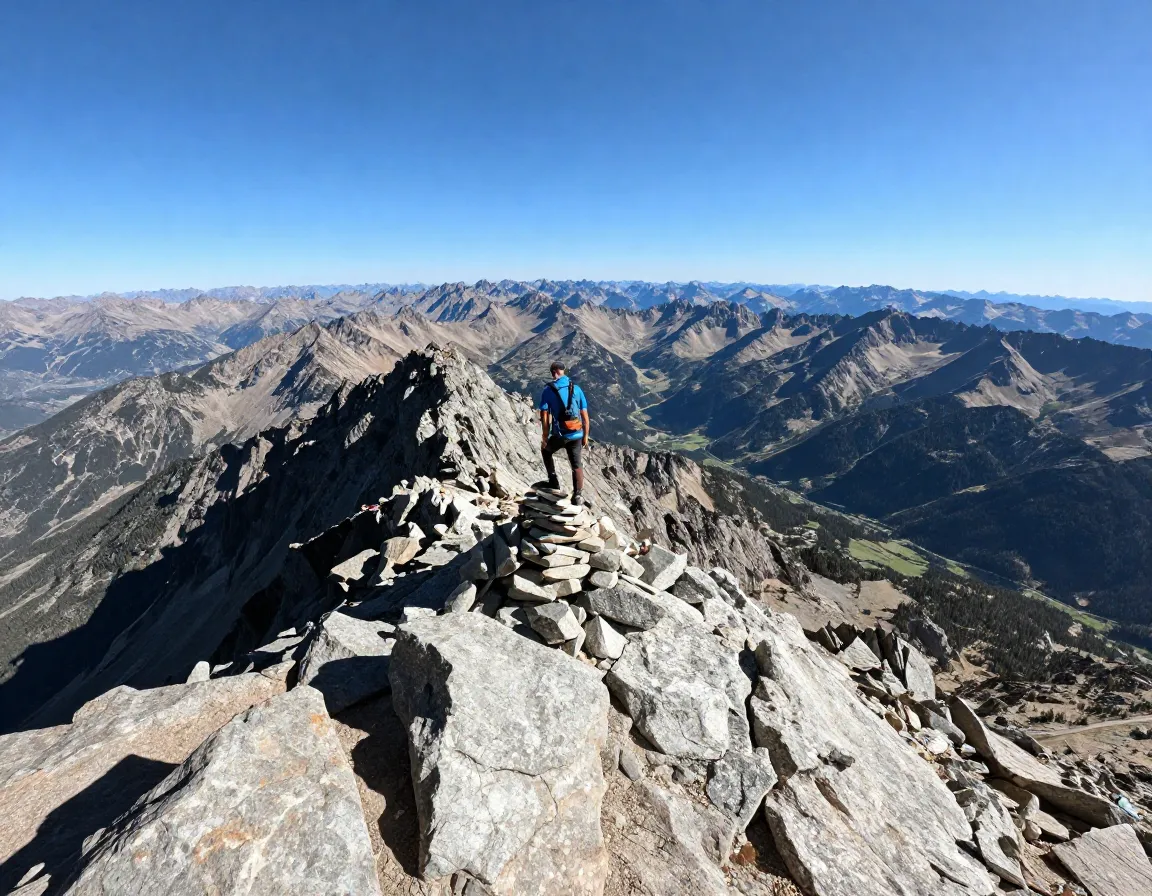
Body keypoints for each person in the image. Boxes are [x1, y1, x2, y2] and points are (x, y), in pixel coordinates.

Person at [536, 361, 591, 505]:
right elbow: (585, 416)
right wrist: (585, 436)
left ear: (553, 372)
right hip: (577, 433)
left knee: (546, 451)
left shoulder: (548, 390)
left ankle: (553, 482)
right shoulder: (577, 389)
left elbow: (545, 416)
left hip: (560, 435)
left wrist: (545, 437)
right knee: (576, 464)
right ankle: (577, 495)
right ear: (563, 371)